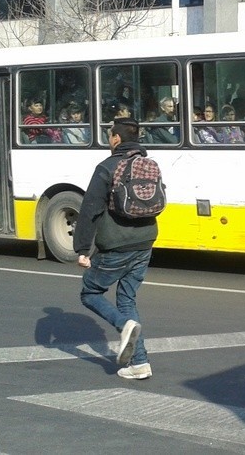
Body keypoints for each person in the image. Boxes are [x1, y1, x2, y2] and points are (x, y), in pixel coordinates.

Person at [74, 117, 158, 380]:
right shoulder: (149, 165)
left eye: (110, 136)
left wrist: (82, 248)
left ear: (116, 139)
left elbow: (90, 210)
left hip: (116, 245)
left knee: (90, 292)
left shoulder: (107, 167)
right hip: (145, 242)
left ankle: (123, 326)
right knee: (127, 299)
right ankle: (140, 363)